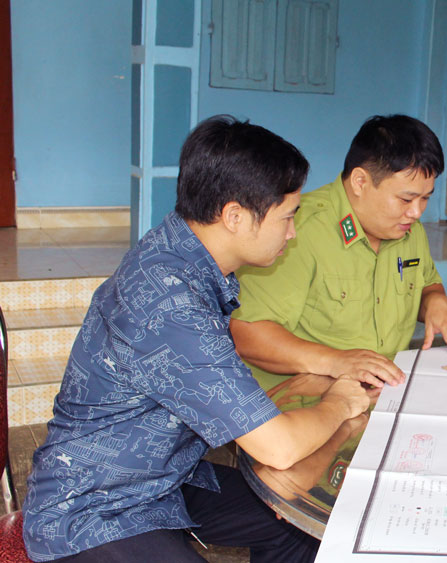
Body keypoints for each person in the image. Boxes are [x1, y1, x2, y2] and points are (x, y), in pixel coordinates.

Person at [22, 116, 372, 562]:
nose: (292, 232)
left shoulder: (181, 254)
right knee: (292, 476)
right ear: (234, 216)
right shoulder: (168, 301)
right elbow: (278, 447)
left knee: (296, 527)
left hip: (161, 480)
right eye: (287, 217)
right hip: (94, 509)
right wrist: (338, 403)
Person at [231, 115, 447, 393]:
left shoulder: (409, 229)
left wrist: (435, 300)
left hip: (381, 403)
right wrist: (335, 362)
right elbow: (247, 333)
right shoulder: (297, 230)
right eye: (406, 199)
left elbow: (424, 284)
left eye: (426, 198)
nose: (416, 212)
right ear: (360, 181)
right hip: (304, 412)